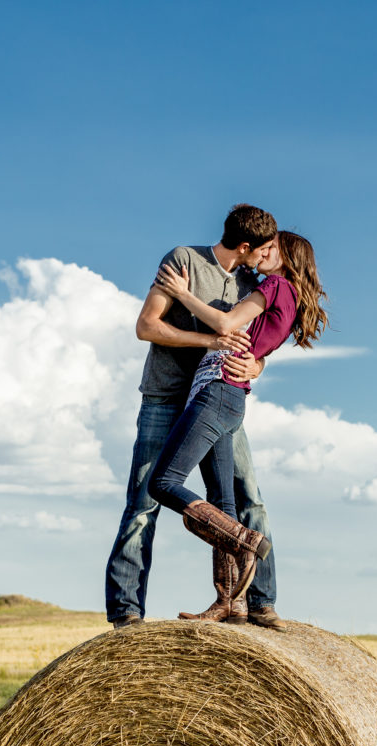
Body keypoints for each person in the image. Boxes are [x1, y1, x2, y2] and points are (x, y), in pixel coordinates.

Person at [104, 204, 283, 629]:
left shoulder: (250, 284)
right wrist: (209, 339)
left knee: (246, 497)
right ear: (246, 246)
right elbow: (147, 326)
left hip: (215, 399)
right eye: (265, 249)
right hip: (165, 398)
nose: (268, 257)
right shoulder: (183, 260)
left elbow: (256, 341)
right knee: (145, 502)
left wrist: (257, 366)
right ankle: (127, 612)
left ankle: (257, 603)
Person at [146, 231, 327, 623]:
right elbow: (254, 345)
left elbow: (227, 323)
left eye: (271, 247)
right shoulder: (283, 293)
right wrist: (257, 365)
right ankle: (232, 603)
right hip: (230, 396)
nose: (263, 252)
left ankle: (243, 540)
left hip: (219, 389)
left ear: (287, 257)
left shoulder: (278, 285)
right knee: (223, 501)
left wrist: (182, 292)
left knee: (161, 483)